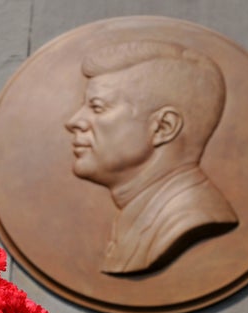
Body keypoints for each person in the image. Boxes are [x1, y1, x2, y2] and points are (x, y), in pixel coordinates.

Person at [65, 40, 238, 274]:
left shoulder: (186, 220)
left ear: (163, 127)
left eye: (97, 107)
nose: (74, 122)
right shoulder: (139, 216)